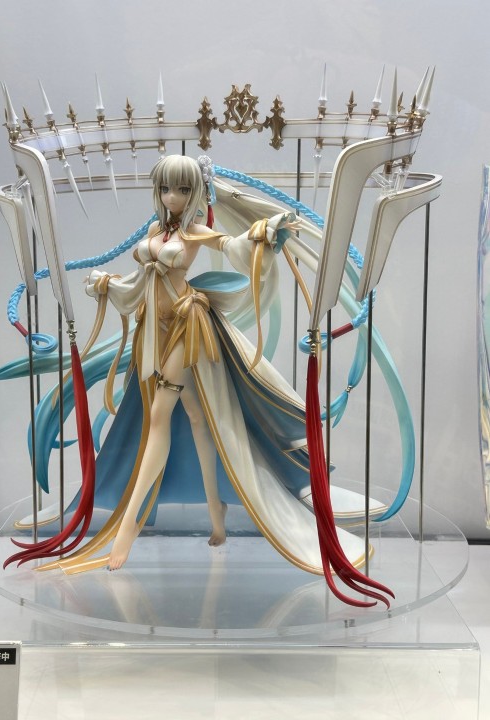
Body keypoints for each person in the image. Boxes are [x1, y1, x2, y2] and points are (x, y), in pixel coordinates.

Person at [44, 154, 371, 580]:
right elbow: (142, 280)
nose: (172, 197)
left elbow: (232, 247)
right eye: (165, 188)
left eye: (182, 189)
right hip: (154, 329)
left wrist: (261, 234)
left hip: (187, 325)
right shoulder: (154, 230)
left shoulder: (195, 231)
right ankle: (216, 511)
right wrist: (111, 284)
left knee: (158, 417)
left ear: (195, 191)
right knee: (197, 417)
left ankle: (127, 526)